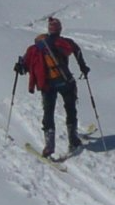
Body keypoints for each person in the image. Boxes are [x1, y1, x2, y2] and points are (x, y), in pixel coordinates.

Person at [15, 16, 90, 155]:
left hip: (47, 85)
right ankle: (73, 140)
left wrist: (19, 67)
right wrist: (83, 67)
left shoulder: (37, 47)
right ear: (60, 29)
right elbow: (77, 51)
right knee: (70, 109)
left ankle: (49, 146)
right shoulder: (66, 43)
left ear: (49, 30)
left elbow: (25, 66)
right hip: (66, 81)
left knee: (48, 113)